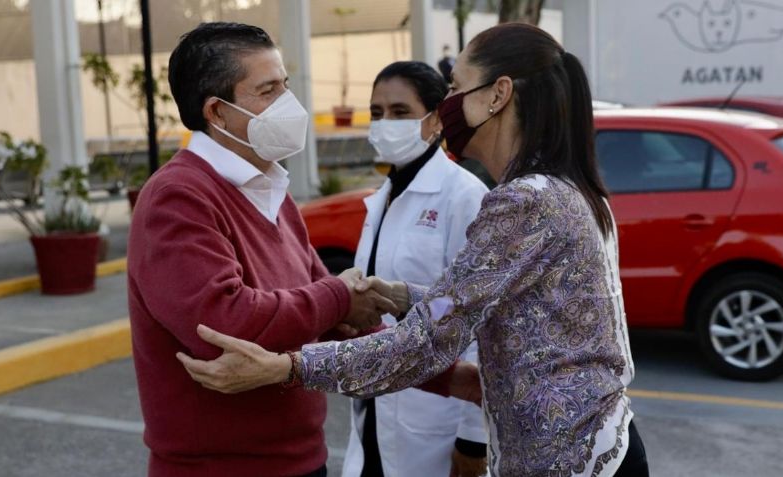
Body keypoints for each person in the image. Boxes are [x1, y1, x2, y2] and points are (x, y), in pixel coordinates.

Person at [177, 23, 650, 477]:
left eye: (455, 87)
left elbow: (428, 339)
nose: (447, 105)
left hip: (570, 460)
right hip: (586, 450)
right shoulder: (558, 188)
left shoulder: (525, 200)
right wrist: (402, 296)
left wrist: (287, 368)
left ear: (497, 95)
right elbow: (501, 303)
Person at [127, 22, 399, 477]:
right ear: (217, 111)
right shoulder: (178, 197)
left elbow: (335, 323)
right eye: (268, 90)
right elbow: (225, 321)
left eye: (285, 86)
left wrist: (449, 378)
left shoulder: (271, 190)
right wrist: (338, 296)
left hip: (302, 461)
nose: (289, 104)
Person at [347, 61, 489, 477]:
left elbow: (480, 320)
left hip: (437, 420)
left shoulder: (464, 196)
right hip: (376, 409)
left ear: (435, 119)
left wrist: (472, 438)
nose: (385, 123)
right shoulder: (382, 200)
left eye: (399, 112)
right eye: (376, 113)